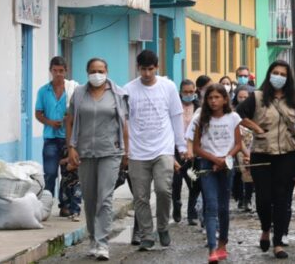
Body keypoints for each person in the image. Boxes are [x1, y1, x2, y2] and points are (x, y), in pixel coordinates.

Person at [238, 60, 295, 259]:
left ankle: (278, 242)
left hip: (288, 154)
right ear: (269, 74)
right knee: (264, 198)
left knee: (282, 198)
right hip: (262, 153)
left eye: (283, 74)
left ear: (288, 78)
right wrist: (255, 128)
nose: (279, 77)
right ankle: (265, 228)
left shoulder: (293, 100)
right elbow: (238, 114)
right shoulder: (256, 97)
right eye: (275, 72)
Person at [65, 58, 128, 261]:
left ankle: (102, 243)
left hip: (110, 152)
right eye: (93, 70)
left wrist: (126, 151)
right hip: (84, 153)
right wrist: (71, 148)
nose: (97, 74)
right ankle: (93, 238)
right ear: (87, 72)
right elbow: (70, 120)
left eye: (100, 70)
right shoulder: (79, 94)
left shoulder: (117, 94)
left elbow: (124, 124)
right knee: (90, 199)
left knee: (105, 198)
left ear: (107, 71)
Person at [125, 50, 186, 251]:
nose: (147, 74)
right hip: (137, 151)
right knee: (140, 197)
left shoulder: (167, 87)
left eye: (150, 69)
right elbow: (124, 121)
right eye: (143, 69)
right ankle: (146, 234)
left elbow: (176, 116)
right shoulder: (129, 90)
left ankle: (162, 227)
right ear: (138, 68)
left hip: (163, 149)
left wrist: (181, 146)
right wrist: (125, 149)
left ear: (157, 68)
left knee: (163, 189)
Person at [194, 83, 245, 263]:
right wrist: (215, 160)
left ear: (225, 99)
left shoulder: (233, 117)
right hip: (207, 164)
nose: (213, 101)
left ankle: (223, 242)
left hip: (227, 164)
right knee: (211, 206)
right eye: (210, 98)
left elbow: (238, 144)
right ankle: (212, 248)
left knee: (224, 207)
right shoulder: (202, 119)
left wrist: (225, 159)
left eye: (217, 97)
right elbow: (196, 148)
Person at [35, 56, 77, 216]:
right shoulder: (43, 91)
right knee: (51, 173)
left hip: (69, 138)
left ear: (65, 71)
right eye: (55, 71)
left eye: (61, 71)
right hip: (51, 138)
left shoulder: (72, 90)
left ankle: (65, 206)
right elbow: (38, 113)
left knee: (67, 174)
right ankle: (46, 206)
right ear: (50, 71)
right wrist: (49, 122)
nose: (58, 74)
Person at [172, 79, 200, 224]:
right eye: (185, 92)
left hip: (193, 151)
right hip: (175, 149)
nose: (188, 94)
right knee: (175, 183)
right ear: (180, 91)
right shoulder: (174, 106)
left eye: (191, 92)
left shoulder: (200, 108)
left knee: (193, 183)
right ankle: (176, 206)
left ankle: (192, 214)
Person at [233, 85, 255, 212]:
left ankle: (247, 199)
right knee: (239, 171)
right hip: (238, 144)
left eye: (245, 97)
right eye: (240, 97)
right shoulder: (233, 112)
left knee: (249, 172)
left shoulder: (254, 111)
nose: (242, 99)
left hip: (252, 143)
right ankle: (239, 197)